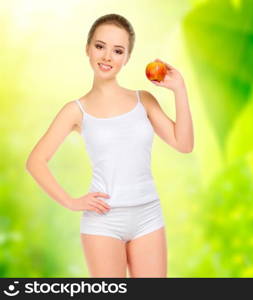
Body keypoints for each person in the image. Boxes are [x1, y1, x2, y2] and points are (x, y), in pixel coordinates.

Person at [25, 13, 194, 278]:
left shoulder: (144, 100)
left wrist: (179, 89)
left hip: (148, 215)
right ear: (88, 48)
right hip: (104, 221)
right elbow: (35, 161)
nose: (107, 57)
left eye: (117, 51)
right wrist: (70, 202)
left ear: (126, 58)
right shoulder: (75, 110)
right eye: (100, 46)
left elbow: (184, 144)